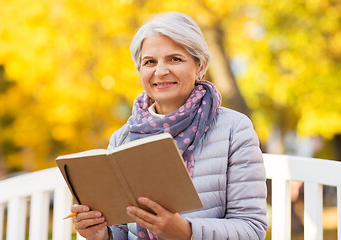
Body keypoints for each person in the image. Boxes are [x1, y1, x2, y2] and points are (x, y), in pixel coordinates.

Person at [71, 11, 268, 240]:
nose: (161, 71)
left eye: (175, 59)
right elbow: (123, 233)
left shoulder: (235, 129)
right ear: (140, 71)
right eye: (150, 62)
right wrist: (102, 235)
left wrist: (185, 232)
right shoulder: (122, 139)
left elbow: (252, 229)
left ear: (200, 65)